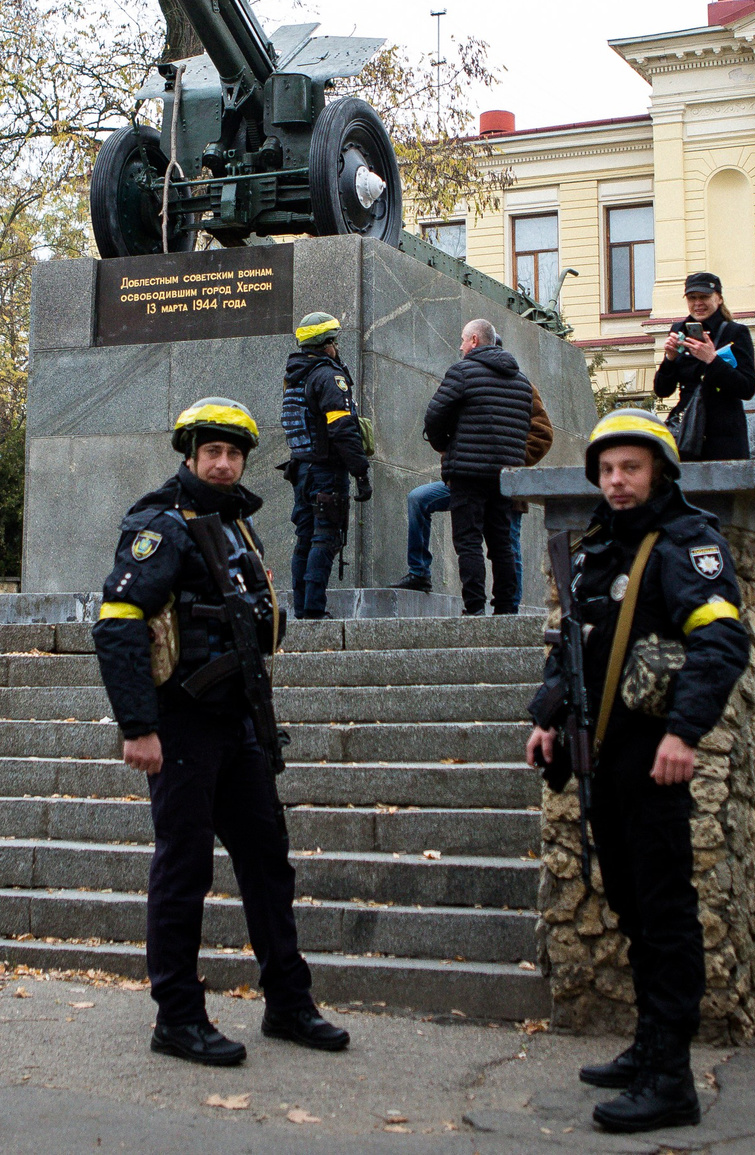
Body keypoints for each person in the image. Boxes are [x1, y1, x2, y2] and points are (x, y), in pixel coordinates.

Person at [92, 398, 353, 1067]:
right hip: (180, 722)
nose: (223, 461)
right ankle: (177, 1016)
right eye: (211, 451)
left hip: (237, 721)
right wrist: (137, 725)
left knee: (268, 863)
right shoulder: (161, 523)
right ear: (190, 453)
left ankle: (289, 1002)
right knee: (184, 869)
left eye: (233, 453)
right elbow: (118, 621)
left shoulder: (238, 524)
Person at [525, 409, 752, 1134]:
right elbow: (573, 647)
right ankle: (650, 1041)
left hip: (656, 754)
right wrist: (545, 717)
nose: (617, 482)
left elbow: (720, 643)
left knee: (664, 911)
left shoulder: (688, 543)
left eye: (631, 468)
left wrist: (685, 732)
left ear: (658, 471)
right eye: (608, 470)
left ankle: (671, 1075)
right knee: (628, 898)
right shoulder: (596, 548)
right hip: (603, 751)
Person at [390, 372, 550, 593]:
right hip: (467, 479)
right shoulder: (468, 383)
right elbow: (443, 422)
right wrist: (453, 455)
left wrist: (508, 459)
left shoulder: (521, 387)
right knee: (419, 498)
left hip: (505, 485)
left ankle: (510, 608)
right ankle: (419, 572)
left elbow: (542, 434)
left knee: (507, 547)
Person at [422, 318, 534, 614]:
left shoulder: (462, 372)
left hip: (468, 472)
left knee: (469, 541)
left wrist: (443, 444)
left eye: (462, 340)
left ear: (474, 340)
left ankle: (474, 608)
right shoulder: (522, 382)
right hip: (505, 475)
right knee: (502, 543)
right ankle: (507, 608)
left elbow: (434, 414)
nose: (460, 346)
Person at [279, 312, 370, 619]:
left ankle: (304, 608)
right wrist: (360, 471)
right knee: (325, 536)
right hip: (326, 471)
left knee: (305, 538)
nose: (337, 347)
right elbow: (342, 427)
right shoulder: (328, 376)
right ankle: (314, 608)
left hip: (302, 469)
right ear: (326, 344)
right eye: (334, 341)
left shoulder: (295, 375)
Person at [652, 273, 755, 462]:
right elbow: (662, 390)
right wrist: (670, 359)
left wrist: (712, 359)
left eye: (704, 297)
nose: (698, 303)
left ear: (719, 298)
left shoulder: (735, 333)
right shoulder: (679, 331)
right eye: (692, 298)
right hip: (686, 434)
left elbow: (747, 388)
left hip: (723, 440)